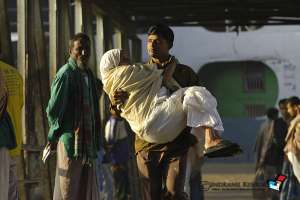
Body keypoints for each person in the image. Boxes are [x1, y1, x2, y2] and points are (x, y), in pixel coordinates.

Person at [101, 24, 238, 199]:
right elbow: (120, 107)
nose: (152, 45)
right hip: (146, 146)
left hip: (177, 144)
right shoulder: (137, 73)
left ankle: (211, 139)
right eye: (149, 41)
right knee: (152, 195)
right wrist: (115, 102)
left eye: (158, 41)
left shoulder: (184, 73)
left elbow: (199, 105)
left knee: (176, 193)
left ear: (169, 45)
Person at [46, 33, 102, 200]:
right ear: (71, 51)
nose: (84, 53)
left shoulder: (89, 76)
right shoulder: (65, 74)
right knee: (68, 189)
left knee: (85, 190)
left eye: (87, 49)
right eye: (79, 49)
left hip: (87, 143)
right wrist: (52, 136)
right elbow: (53, 109)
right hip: (71, 142)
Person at [0, 60, 24, 200]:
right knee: (11, 191)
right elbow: (20, 104)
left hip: (3, 141)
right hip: (14, 141)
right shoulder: (15, 74)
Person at [104, 111, 131, 200]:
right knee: (119, 185)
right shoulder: (113, 122)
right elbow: (110, 140)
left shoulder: (118, 121)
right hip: (117, 160)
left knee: (123, 184)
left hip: (122, 159)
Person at [280, 96, 300, 200]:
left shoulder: (294, 121)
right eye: (282, 109)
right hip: (284, 157)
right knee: (284, 178)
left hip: (290, 155)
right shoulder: (280, 122)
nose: (285, 111)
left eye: (286, 108)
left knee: (289, 178)